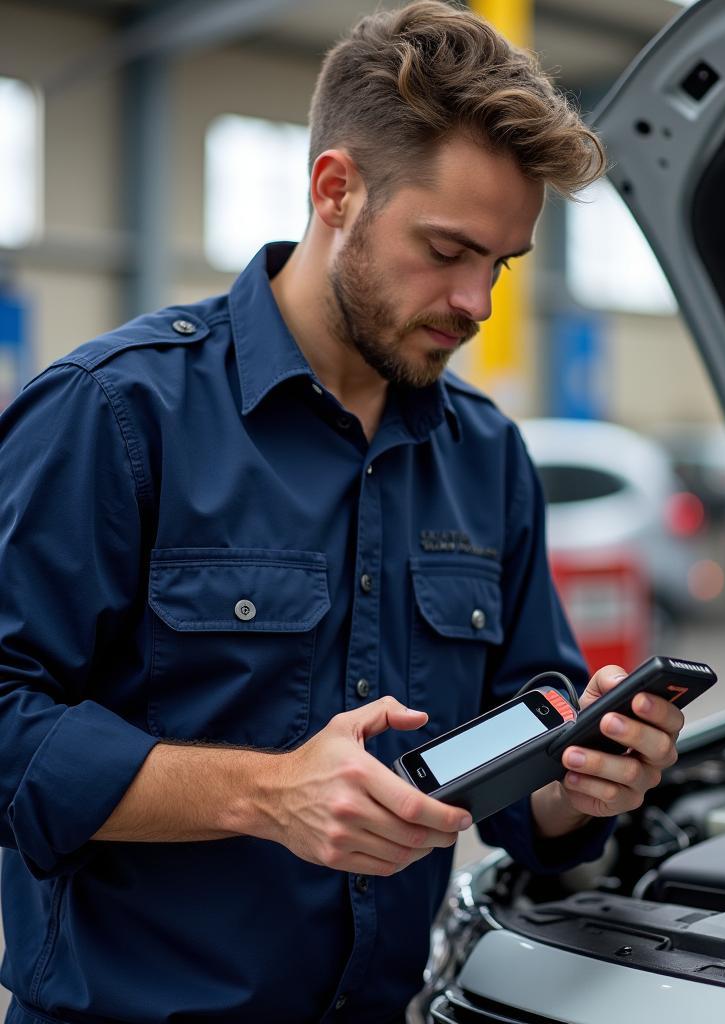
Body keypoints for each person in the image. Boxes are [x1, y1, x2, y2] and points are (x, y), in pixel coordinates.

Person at [0, 4, 686, 1021]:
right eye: (447, 249)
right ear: (335, 190)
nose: (477, 303)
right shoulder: (115, 412)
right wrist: (264, 792)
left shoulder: (487, 455)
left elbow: (524, 753)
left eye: (500, 263)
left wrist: (583, 783)